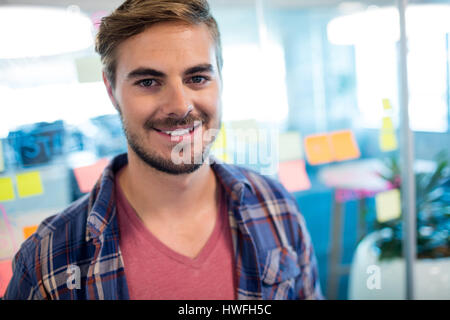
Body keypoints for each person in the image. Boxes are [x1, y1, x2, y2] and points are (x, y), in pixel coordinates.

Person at [4, 0, 324, 300]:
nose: (180, 106)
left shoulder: (276, 207)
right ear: (111, 90)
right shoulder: (47, 259)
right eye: (148, 82)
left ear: (221, 81)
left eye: (197, 77)